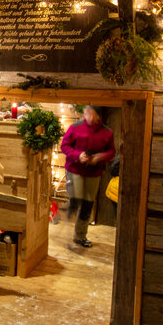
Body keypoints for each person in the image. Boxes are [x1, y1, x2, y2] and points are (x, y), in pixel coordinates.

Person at [60, 105, 116, 248]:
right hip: (75, 169)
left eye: (92, 114)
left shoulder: (107, 132)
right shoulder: (75, 127)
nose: (89, 117)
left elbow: (111, 152)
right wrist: (78, 155)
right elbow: (64, 146)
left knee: (87, 204)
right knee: (77, 199)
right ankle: (67, 219)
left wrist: (100, 157)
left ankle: (80, 236)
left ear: (98, 116)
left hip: (93, 172)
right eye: (87, 113)